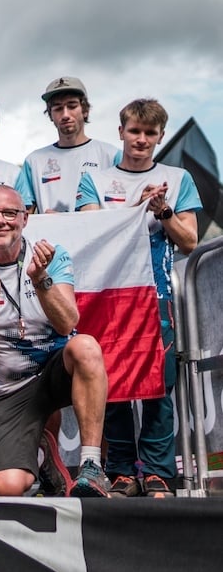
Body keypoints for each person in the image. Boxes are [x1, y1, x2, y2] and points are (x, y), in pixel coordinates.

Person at [76, 98, 199, 498]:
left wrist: (163, 211)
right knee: (111, 385)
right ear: (121, 132)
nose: (141, 139)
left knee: (158, 385)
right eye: (135, 131)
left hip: (156, 295)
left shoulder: (177, 178)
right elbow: (92, 231)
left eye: (150, 133)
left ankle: (159, 472)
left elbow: (190, 241)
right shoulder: (94, 181)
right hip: (109, 295)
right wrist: (134, 206)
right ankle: (121, 471)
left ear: (160, 136)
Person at [0, 187, 109, 497]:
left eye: (10, 213)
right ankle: (44, 455)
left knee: (86, 346)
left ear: (25, 219)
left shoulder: (51, 255)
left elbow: (67, 323)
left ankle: (91, 466)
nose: (0, 220)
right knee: (8, 487)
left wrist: (40, 280)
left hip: (57, 372)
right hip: (13, 389)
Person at [15, 76, 119, 214]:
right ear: (50, 115)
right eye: (58, 108)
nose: (65, 115)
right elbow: (23, 215)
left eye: (72, 106)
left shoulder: (111, 155)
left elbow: (124, 208)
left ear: (85, 110)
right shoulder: (33, 161)